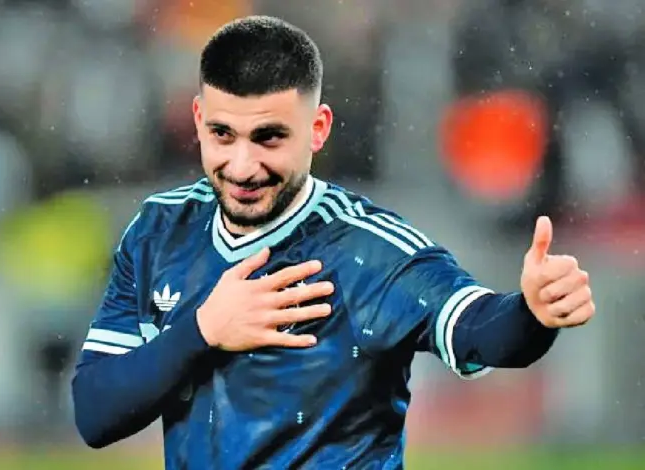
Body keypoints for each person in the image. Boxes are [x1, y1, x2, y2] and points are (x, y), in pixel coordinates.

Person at [71, 16, 595, 469]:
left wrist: (532, 313)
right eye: (222, 134)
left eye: (269, 137)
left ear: (318, 128)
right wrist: (205, 329)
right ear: (198, 121)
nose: (243, 166)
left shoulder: (369, 249)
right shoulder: (159, 230)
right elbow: (95, 414)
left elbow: (482, 330)